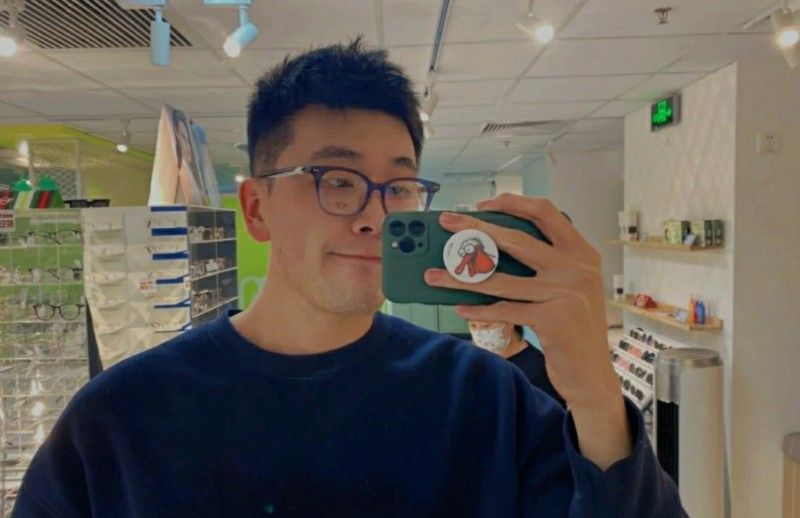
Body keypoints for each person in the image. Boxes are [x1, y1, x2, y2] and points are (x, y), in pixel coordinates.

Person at [13, 40, 685, 516]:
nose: (374, 215)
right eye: (336, 180)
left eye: (399, 187)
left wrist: (594, 392)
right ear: (256, 208)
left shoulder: (485, 400)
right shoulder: (119, 422)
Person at [468, 320, 566, 408]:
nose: (479, 334)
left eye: (486, 326)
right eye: (473, 326)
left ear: (510, 322)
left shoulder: (537, 370)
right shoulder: (477, 362)